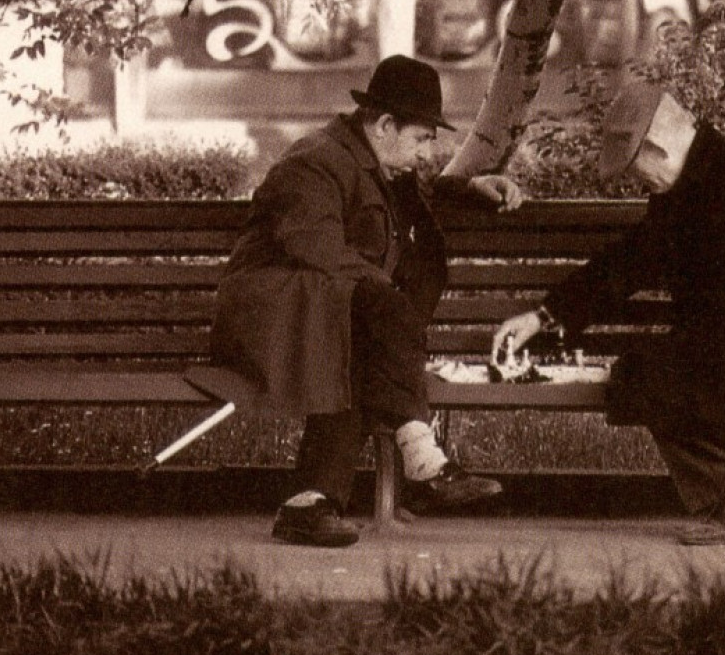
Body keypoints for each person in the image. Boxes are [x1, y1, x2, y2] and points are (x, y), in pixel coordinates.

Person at [493, 80, 725, 545]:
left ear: (657, 148)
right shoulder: (676, 194)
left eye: (636, 171)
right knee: (641, 375)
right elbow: (628, 264)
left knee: (653, 376)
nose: (637, 183)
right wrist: (543, 315)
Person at [212, 55, 523, 547]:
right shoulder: (313, 161)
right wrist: (387, 297)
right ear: (384, 125)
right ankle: (422, 460)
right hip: (271, 317)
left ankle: (308, 505)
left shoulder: (368, 157)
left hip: (322, 313)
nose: (426, 153)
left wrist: (469, 188)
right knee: (378, 317)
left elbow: (410, 195)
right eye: (422, 139)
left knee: (363, 349)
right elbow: (317, 248)